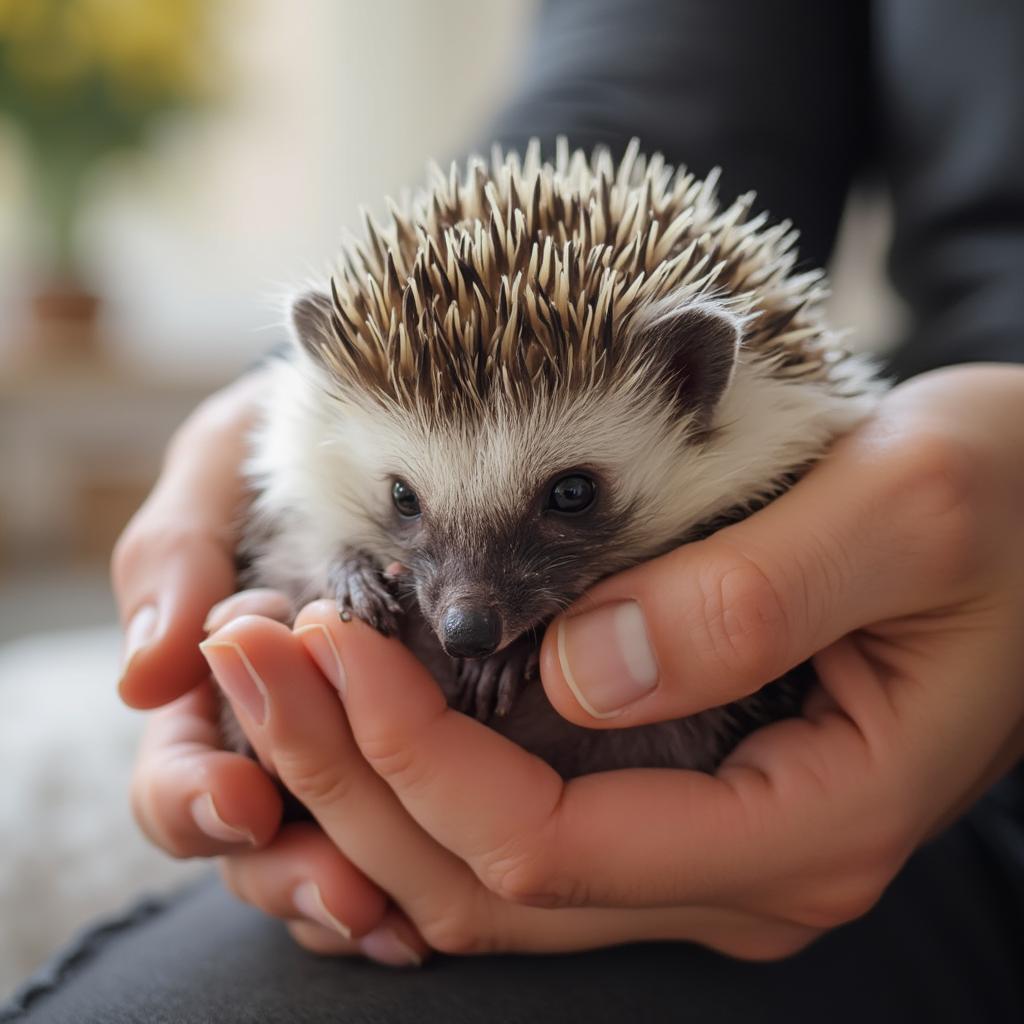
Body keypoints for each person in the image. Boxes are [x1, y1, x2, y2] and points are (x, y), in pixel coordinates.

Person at [6, 1, 1024, 1020]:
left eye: (568, 497)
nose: (465, 607)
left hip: (952, 770)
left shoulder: (790, 456)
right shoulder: (332, 446)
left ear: (692, 386)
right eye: (405, 501)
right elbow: (640, 96)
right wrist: (338, 563)